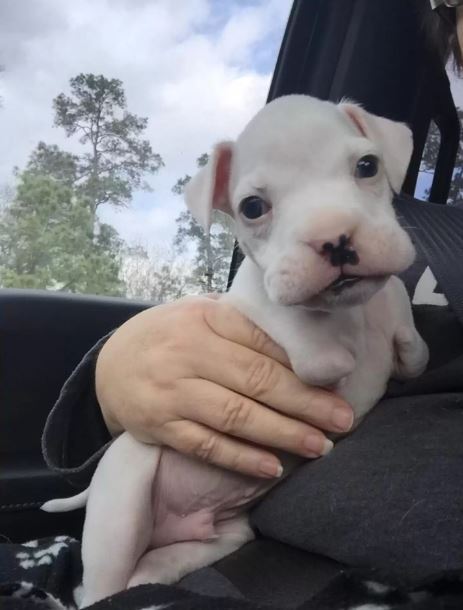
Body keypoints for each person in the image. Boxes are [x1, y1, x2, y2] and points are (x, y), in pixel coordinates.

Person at [4, 2, 463, 609]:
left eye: (363, 169)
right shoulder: (425, 243)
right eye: (253, 207)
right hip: (219, 541)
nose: (332, 231)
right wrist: (115, 373)